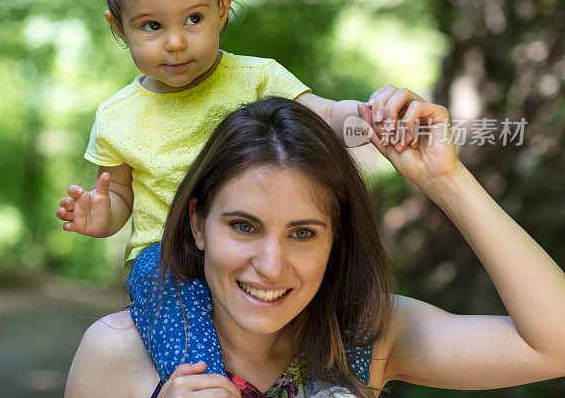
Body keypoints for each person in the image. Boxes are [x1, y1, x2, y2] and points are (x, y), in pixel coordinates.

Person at [55, 0, 417, 380]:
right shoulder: (116, 115)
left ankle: (334, 381)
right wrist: (103, 214)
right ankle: (200, 381)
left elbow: (324, 117)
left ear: (223, 9)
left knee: (342, 295)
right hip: (164, 252)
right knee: (174, 315)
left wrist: (371, 116)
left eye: (194, 18)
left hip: (261, 233)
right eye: (151, 25)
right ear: (117, 27)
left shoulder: (257, 77)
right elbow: (123, 195)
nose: (176, 41)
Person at [64, 96, 565, 397]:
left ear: (336, 238)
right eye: (243, 226)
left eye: (302, 233)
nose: (270, 264)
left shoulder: (368, 334)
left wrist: (446, 179)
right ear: (197, 224)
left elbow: (555, 345)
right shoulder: (116, 355)